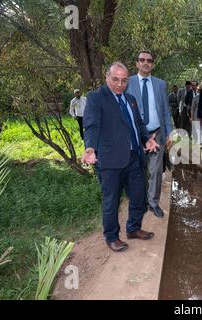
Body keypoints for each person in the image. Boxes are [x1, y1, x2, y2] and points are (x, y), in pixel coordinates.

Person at [82, 62, 158, 252]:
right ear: (107, 77)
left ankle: (133, 229)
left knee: (139, 196)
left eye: (124, 80)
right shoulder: (96, 98)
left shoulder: (130, 99)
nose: (119, 84)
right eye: (115, 79)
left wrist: (147, 139)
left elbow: (138, 125)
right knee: (111, 201)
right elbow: (92, 125)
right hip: (110, 161)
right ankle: (112, 237)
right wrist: (90, 148)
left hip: (133, 157)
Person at [126, 50, 173, 218]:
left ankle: (153, 203)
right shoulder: (127, 82)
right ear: (137, 63)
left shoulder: (160, 84)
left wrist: (170, 132)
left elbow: (165, 110)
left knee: (155, 171)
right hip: (136, 136)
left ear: (152, 64)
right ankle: (140, 202)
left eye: (149, 60)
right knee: (138, 171)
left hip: (157, 134)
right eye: (142, 60)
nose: (146, 63)